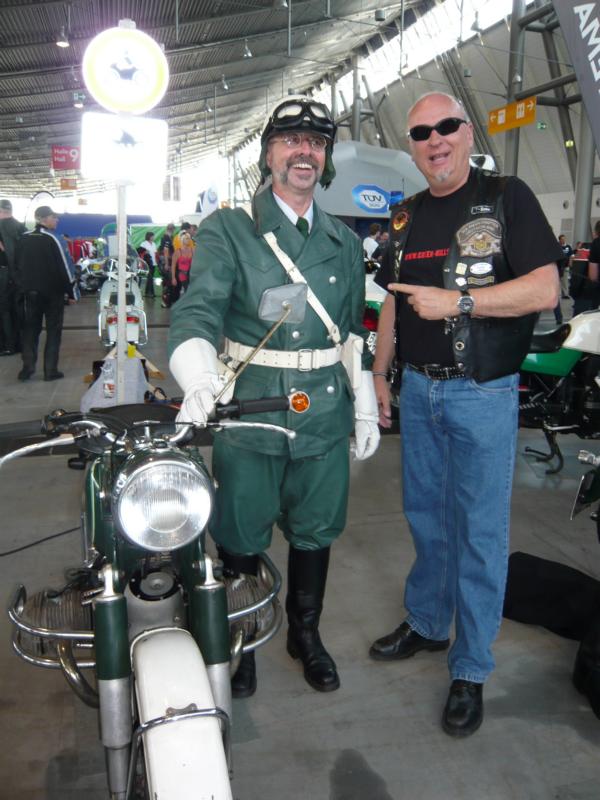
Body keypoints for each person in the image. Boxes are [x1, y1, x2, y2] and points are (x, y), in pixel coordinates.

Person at [168, 96, 380, 698]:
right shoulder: (230, 229)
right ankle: (244, 636)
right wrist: (199, 379)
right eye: (291, 140)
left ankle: (304, 634)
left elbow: (351, 334)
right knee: (240, 533)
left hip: (324, 409)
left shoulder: (343, 240)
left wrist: (364, 404)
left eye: (315, 142)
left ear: (326, 158)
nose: (303, 151)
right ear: (269, 155)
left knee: (316, 529)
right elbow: (198, 312)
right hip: (252, 407)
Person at [369, 92, 561, 737]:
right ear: (412, 145)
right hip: (419, 390)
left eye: (446, 126)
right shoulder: (404, 216)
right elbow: (393, 301)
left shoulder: (507, 197)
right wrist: (380, 373)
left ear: (466, 131)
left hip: (482, 392)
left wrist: (460, 303)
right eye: (421, 132)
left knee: (479, 532)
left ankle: (472, 665)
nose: (435, 140)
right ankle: (428, 623)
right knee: (426, 518)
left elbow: (544, 288)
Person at [13, 205, 78, 381]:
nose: (57, 220)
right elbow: (66, 268)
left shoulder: (23, 238)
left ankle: (27, 369)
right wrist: (72, 293)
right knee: (53, 331)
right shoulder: (55, 239)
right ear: (43, 219)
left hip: (30, 293)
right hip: (53, 293)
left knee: (30, 330)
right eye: (53, 217)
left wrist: (22, 287)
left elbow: (16, 266)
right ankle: (50, 371)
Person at [0, 199, 26, 355]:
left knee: (4, 310)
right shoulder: (21, 227)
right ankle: (19, 343)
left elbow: (7, 253)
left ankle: (7, 345)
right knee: (18, 309)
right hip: (19, 276)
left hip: (4, 275)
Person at [170, 230, 194, 300]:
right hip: (182, 275)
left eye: (189, 238)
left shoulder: (193, 250)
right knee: (187, 291)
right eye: (186, 238)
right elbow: (173, 266)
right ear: (182, 240)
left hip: (191, 275)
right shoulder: (177, 252)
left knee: (190, 292)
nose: (188, 240)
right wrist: (173, 278)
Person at [158, 223, 176, 308]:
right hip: (165, 261)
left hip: (164, 261)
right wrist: (167, 263)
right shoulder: (167, 238)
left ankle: (166, 301)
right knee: (168, 282)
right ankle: (165, 302)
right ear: (172, 229)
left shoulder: (165, 237)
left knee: (167, 282)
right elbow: (166, 251)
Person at [141, 231, 158, 298]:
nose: (153, 237)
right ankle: (151, 292)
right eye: (152, 236)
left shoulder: (154, 244)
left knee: (150, 278)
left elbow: (155, 253)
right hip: (147, 263)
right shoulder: (143, 243)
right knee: (150, 277)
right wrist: (145, 252)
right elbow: (140, 252)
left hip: (153, 263)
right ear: (149, 236)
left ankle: (147, 292)